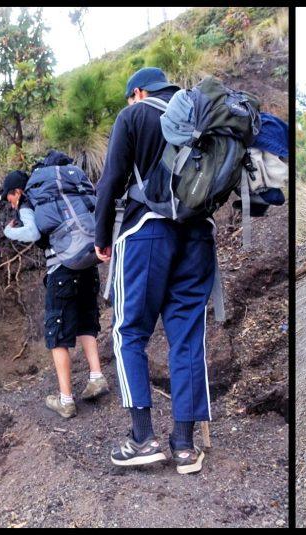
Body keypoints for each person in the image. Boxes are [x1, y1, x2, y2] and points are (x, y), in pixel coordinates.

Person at [94, 66, 211, 475]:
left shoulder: (137, 114)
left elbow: (111, 179)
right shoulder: (200, 111)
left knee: (129, 332)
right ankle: (184, 445)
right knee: (186, 336)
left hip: (147, 232)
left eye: (130, 97)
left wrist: (101, 235)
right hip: (198, 236)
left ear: (138, 92)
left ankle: (143, 438)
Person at [0, 161, 109, 419]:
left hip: (62, 270)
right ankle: (96, 377)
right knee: (85, 321)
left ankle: (65, 399)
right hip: (87, 261)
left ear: (16, 191)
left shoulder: (30, 202)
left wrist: (7, 230)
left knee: (56, 333)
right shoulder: (63, 194)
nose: (11, 203)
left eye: (9, 198)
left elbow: (31, 232)